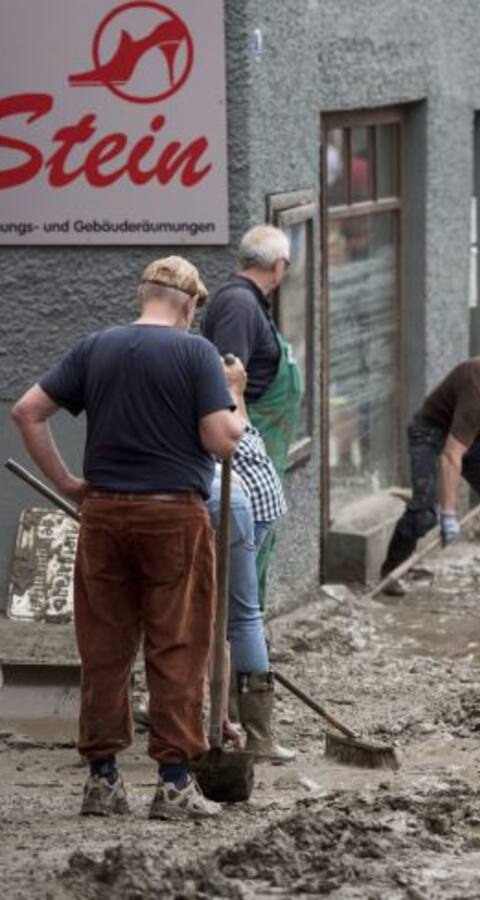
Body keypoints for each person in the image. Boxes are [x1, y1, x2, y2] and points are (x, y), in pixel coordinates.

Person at [11, 257, 244, 820]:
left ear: (143, 296)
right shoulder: (196, 354)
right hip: (173, 518)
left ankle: (103, 781)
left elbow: (27, 411)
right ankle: (173, 784)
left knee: (104, 648)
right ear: (190, 305)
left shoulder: (96, 346)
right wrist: (234, 393)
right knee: (177, 645)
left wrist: (68, 484)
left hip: (104, 517)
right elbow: (222, 441)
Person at [380, 352, 480, 595]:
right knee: (424, 514)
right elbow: (451, 456)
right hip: (431, 432)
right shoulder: (478, 389)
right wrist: (448, 514)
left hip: (471, 439)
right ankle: (391, 573)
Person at [202, 225, 302, 611]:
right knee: (245, 540)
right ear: (278, 266)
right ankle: (239, 630)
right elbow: (226, 381)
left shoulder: (249, 302)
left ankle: (246, 625)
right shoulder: (240, 305)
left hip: (262, 437)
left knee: (255, 540)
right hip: (244, 444)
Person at [208, 356, 295, 763]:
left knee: (232, 617)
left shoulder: (204, 387)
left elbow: (232, 433)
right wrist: (235, 390)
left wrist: (232, 391)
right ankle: (240, 724)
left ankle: (247, 728)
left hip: (242, 502)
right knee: (232, 616)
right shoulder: (216, 383)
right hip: (249, 498)